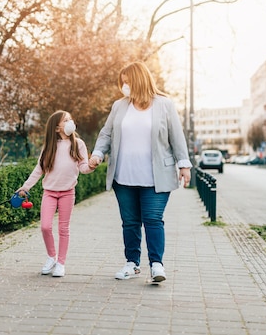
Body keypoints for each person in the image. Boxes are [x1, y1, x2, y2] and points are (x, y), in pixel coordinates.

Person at [88, 61, 192, 283]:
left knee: (153, 219)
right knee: (130, 222)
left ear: (140, 80)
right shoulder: (119, 106)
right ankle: (132, 264)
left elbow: (177, 136)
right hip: (123, 175)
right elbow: (106, 133)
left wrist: (184, 165)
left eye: (128, 82)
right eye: (122, 83)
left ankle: (156, 265)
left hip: (156, 177)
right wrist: (97, 153)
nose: (124, 87)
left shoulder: (164, 105)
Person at [17, 110, 93, 277]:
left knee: (63, 228)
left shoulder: (78, 144)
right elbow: (39, 170)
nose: (70, 122)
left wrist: (92, 166)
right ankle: (51, 257)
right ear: (57, 127)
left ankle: (61, 263)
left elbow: (83, 167)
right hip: (50, 193)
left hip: (68, 192)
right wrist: (25, 187)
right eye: (66, 120)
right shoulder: (49, 146)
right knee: (45, 226)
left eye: (70, 119)